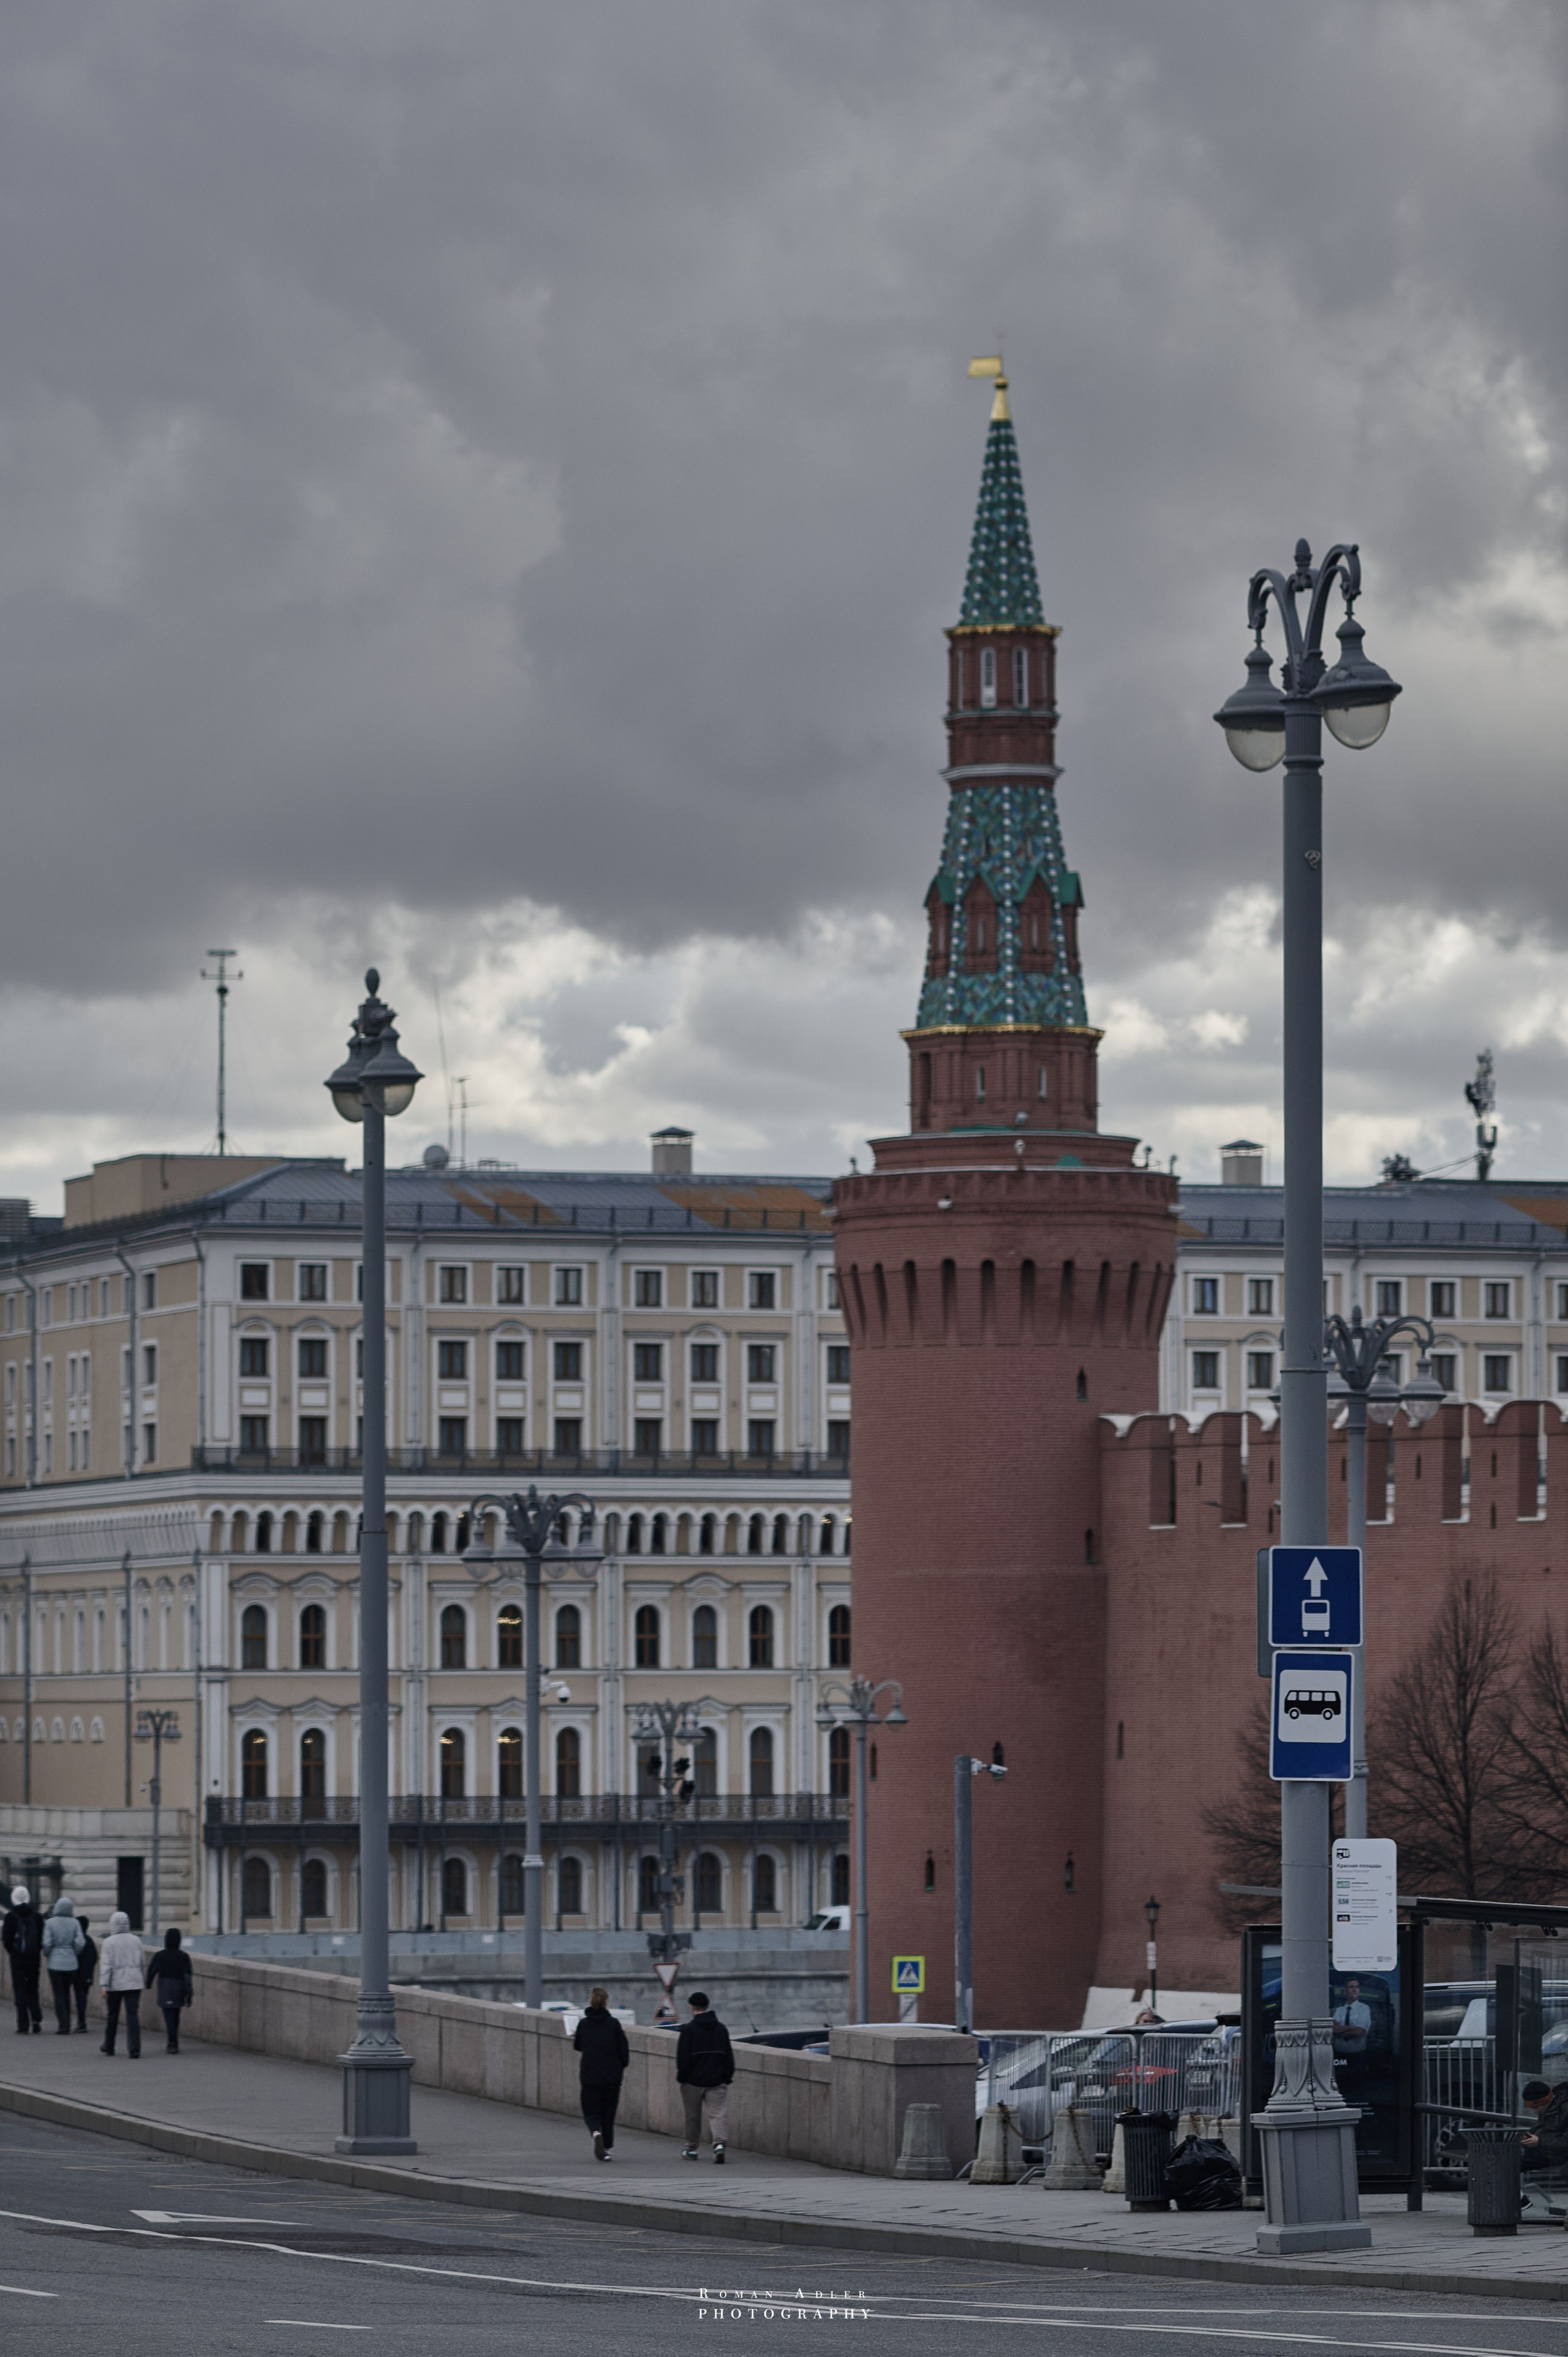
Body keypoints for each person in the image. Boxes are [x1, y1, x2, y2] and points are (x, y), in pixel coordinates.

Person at [676, 1990, 734, 2164]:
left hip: (692, 2081)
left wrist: (682, 2078)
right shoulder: (721, 2029)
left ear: (692, 2007)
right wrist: (726, 2077)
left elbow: (683, 2058)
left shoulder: (688, 2030)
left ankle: (691, 2149)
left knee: (693, 2116)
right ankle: (719, 2146)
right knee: (718, 2114)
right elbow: (728, 2056)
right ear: (707, 2007)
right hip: (717, 2080)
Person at [573, 1987, 629, 2162]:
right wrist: (619, 2067)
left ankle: (596, 2132)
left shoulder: (584, 2024)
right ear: (606, 2002)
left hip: (590, 2077)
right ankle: (606, 2148)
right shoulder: (613, 2024)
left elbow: (578, 2046)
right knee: (608, 2113)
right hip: (611, 2078)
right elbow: (624, 2053)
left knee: (591, 2111)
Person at [99, 1910, 146, 2057]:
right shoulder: (136, 1940)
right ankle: (134, 2048)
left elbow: (106, 1965)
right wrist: (140, 1978)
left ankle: (109, 2045)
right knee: (133, 2015)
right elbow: (142, 1963)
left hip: (115, 1983)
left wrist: (104, 1985)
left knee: (113, 2015)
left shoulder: (108, 1942)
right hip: (134, 1982)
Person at [1, 1885, 43, 2034]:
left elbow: (6, 1939)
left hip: (18, 1959)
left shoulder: (11, 1917)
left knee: (20, 1990)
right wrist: (35, 1951)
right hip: (34, 1958)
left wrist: (14, 1952)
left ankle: (23, 2024)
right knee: (33, 1988)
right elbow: (41, 1939)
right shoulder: (37, 1917)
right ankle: (36, 2018)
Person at [41, 1897, 85, 2034]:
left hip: (55, 1964)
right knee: (67, 1994)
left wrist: (49, 1954)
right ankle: (68, 2022)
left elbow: (47, 1944)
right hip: (72, 1964)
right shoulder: (75, 1923)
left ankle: (63, 2025)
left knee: (58, 1994)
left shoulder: (50, 1923)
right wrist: (73, 1953)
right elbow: (80, 1943)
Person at [145, 1928, 193, 2053]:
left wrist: (148, 1984)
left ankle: (172, 2041)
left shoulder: (160, 1956)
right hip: (179, 1988)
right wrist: (189, 1994)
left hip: (165, 1987)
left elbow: (152, 1971)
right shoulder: (184, 1957)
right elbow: (188, 1976)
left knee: (168, 2015)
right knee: (176, 2014)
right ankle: (173, 2039)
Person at [1520, 2079, 1568, 2173]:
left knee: (1511, 2162)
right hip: (1547, 2151)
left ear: (1543, 2102)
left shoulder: (1563, 2109)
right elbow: (1542, 2129)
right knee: (1510, 2160)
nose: (1535, 2111)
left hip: (1556, 2154)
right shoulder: (1551, 2108)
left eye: (1535, 2108)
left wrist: (1539, 2141)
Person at [72, 1915, 98, 2034]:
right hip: (87, 1973)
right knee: (84, 1997)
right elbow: (95, 1957)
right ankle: (81, 2021)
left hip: (78, 1973)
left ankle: (81, 2022)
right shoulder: (89, 1940)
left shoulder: (77, 1940)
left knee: (80, 1998)